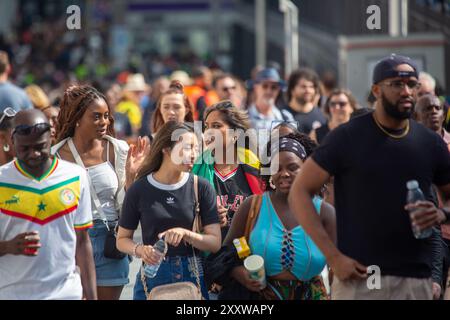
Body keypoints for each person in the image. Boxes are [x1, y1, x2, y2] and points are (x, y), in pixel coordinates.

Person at [289, 54, 450, 300]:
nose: (406, 91)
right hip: (360, 281)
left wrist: (441, 213)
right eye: (396, 84)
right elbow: (300, 191)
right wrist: (333, 257)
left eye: (411, 84)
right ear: (376, 90)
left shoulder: (429, 143)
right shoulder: (347, 137)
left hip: (415, 281)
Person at [51, 85, 149, 300]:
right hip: (70, 240)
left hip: (109, 241)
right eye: (96, 117)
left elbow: (127, 207)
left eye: (106, 116)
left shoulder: (118, 149)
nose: (104, 122)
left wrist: (132, 177)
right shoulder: (54, 156)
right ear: (77, 118)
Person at [219, 133, 335, 300]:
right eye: (276, 168)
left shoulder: (324, 212)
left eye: (293, 167)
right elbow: (225, 253)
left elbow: (341, 264)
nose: (284, 174)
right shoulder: (253, 207)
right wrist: (238, 273)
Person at [116, 121, 221, 300]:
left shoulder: (201, 187)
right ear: (166, 148)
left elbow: (214, 242)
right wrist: (140, 250)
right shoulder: (139, 189)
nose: (194, 154)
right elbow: (122, 240)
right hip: (151, 275)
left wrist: (185, 234)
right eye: (188, 148)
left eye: (197, 148)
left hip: (192, 277)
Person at [0, 109, 96, 300]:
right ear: (11, 141)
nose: (33, 154)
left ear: (51, 137)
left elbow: (82, 242)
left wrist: (92, 296)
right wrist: (8, 247)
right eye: (24, 148)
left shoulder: (75, 176)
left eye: (40, 146)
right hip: (14, 294)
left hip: (67, 293)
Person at [193, 101, 263, 239]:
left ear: (235, 134)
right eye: (206, 127)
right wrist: (206, 221)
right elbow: (182, 220)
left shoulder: (255, 168)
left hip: (251, 256)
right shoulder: (196, 169)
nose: (208, 132)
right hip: (209, 256)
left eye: (217, 126)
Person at [415, 94, 450, 298]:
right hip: (430, 236)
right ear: (416, 116)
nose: (434, 113)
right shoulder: (410, 148)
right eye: (427, 109)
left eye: (437, 108)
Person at [247, 68, 294, 147]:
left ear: (278, 90)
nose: (269, 91)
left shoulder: (286, 117)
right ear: (256, 87)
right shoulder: (243, 116)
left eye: (274, 87)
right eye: (265, 86)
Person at [284, 68, 327, 135]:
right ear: (292, 89)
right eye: (303, 86)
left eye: (311, 87)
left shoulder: (321, 116)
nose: (308, 90)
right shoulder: (280, 115)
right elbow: (274, 144)